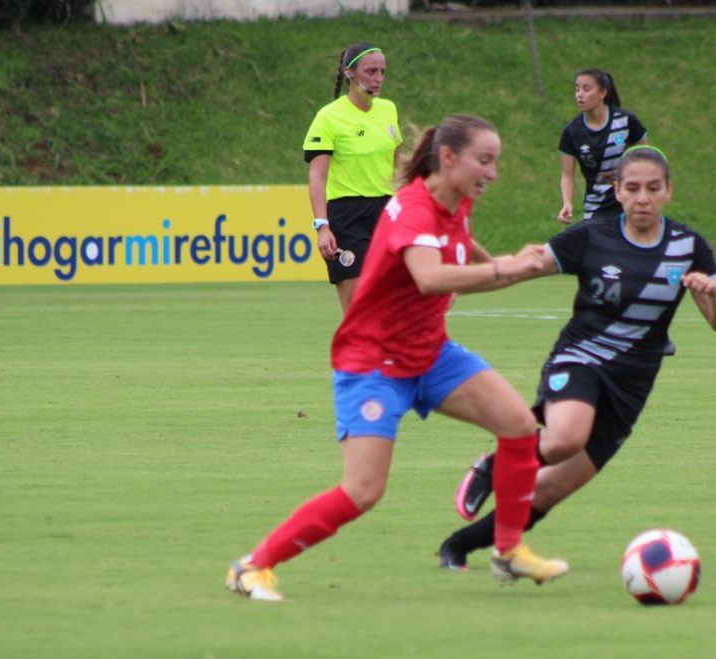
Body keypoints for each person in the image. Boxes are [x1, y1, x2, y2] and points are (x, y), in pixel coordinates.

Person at [227, 115, 569, 601]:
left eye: (496, 161)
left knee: (518, 426)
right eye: (484, 160)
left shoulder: (458, 201)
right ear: (448, 158)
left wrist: (507, 267)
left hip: (430, 353)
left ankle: (508, 551)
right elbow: (429, 276)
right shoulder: (411, 208)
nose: (493, 172)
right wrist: (503, 269)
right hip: (372, 363)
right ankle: (253, 565)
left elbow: (460, 247)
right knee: (363, 491)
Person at [437, 145, 716, 571]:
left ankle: (458, 546)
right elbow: (524, 267)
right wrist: (448, 285)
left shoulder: (689, 247)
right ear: (616, 191)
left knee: (550, 490)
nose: (642, 198)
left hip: (632, 384)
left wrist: (714, 293)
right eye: (632, 188)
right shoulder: (592, 236)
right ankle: (490, 467)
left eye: (653, 188)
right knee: (564, 439)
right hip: (581, 358)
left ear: (668, 191)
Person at [302, 42, 403, 313]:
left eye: (382, 71)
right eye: (371, 71)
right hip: (347, 217)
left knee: (391, 305)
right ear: (349, 72)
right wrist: (322, 226)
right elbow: (317, 177)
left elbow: (396, 163)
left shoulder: (388, 110)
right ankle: (359, 356)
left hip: (385, 213)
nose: (378, 78)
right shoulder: (329, 117)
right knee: (358, 310)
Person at [556, 69, 647, 225]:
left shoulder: (626, 121)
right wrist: (567, 202)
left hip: (629, 204)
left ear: (602, 93)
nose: (579, 94)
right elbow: (567, 175)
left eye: (586, 89)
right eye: (577, 89)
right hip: (596, 208)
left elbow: (646, 159)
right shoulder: (572, 132)